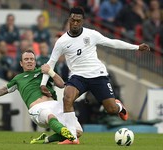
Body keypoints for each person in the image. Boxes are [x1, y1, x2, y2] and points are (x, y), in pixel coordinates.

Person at [40, 6, 150, 144]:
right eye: (73, 20)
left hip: (98, 75)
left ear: (83, 21)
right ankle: (72, 137)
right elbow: (50, 63)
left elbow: (112, 43)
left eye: (78, 21)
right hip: (78, 77)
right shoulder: (62, 41)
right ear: (69, 19)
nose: (75, 23)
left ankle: (119, 107)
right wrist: (43, 84)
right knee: (67, 99)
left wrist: (137, 47)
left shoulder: (91, 34)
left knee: (111, 110)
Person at [0, 50, 82, 144]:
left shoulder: (43, 72)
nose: (29, 61)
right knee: (49, 116)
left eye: (32, 59)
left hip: (55, 105)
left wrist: (51, 72)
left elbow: (61, 85)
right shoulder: (18, 79)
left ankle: (46, 139)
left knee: (78, 131)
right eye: (26, 59)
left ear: (35, 62)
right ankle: (70, 138)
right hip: (38, 108)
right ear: (21, 63)